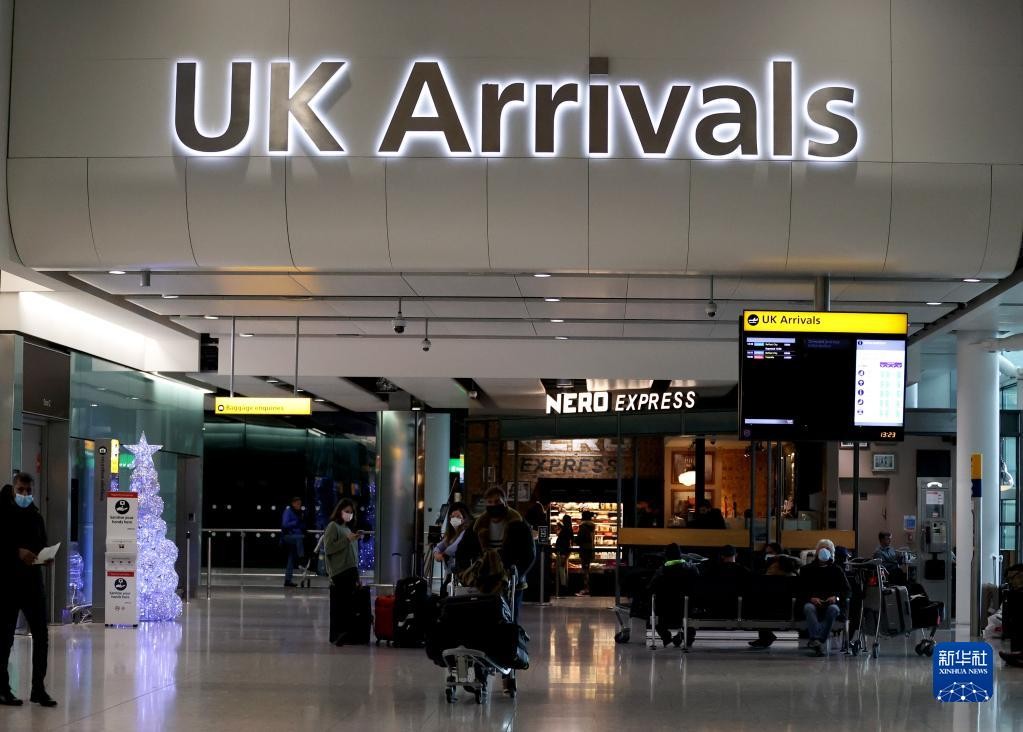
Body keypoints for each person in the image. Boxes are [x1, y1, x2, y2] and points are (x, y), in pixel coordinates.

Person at [0, 474, 57, 707]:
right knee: (4, 638)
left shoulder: (35, 516)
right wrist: (17, 552)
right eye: (21, 490)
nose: (25, 494)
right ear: (14, 489)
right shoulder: (3, 514)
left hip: (33, 584)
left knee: (41, 636)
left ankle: (38, 689)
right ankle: (2, 689)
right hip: (8, 584)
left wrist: (46, 556)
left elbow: (41, 543)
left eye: (28, 491)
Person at [456, 487, 536, 618]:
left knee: (510, 618)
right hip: (484, 580)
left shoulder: (518, 523)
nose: (494, 505)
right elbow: (463, 550)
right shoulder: (477, 525)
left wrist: (517, 573)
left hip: (511, 580)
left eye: (497, 501)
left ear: (505, 501)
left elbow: (529, 553)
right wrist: (464, 572)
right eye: (490, 502)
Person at [323, 499, 363, 646]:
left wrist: (357, 574)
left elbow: (352, 555)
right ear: (340, 511)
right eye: (346, 511)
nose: (349, 514)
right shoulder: (333, 526)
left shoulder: (347, 529)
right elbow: (329, 548)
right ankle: (338, 634)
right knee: (340, 605)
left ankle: (346, 634)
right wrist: (346, 540)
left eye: (351, 512)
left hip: (350, 570)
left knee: (348, 605)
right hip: (340, 572)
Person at [800, 541, 851, 655]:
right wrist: (811, 598)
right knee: (808, 607)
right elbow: (800, 591)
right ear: (817, 552)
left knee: (834, 609)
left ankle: (816, 640)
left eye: (827, 549)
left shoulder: (837, 570)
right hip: (812, 602)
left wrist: (836, 598)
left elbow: (847, 591)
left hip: (832, 603)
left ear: (831, 553)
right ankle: (818, 640)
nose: (824, 550)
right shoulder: (806, 570)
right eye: (822, 548)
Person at [648, 543, 699, 648]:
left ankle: (666, 636)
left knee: (652, 608)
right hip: (687, 610)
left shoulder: (661, 571)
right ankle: (688, 637)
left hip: (664, 611)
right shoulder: (692, 569)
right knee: (689, 614)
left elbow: (650, 588)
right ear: (681, 555)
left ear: (666, 556)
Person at [749, 542, 796, 649]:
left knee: (759, 606)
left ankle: (766, 637)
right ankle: (766, 637)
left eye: (770, 553)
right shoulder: (791, 566)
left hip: (775, 605)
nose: (767, 555)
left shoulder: (775, 566)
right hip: (785, 605)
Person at [434, 502, 472, 591]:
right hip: (449, 572)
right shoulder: (450, 535)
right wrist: (436, 553)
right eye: (452, 517)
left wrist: (442, 554)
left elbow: (454, 547)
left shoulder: (465, 532)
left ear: (464, 519)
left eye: (458, 516)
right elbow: (438, 547)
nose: (455, 519)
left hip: (461, 572)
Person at [281, 496, 306, 587]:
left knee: (291, 559)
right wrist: (296, 522)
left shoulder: (300, 513)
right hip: (287, 536)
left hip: (295, 537)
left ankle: (287, 580)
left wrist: (302, 524)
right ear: (293, 503)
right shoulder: (288, 511)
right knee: (299, 538)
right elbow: (285, 524)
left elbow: (301, 525)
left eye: (300, 504)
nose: (299, 505)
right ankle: (301, 560)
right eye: (298, 504)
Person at [575, 511, 596, 596]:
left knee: (585, 570)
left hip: (584, 549)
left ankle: (586, 588)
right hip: (590, 549)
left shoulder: (583, 526)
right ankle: (588, 588)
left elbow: (581, 538)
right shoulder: (591, 526)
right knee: (587, 569)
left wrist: (575, 540)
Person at [554, 514, 574, 595]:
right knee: (563, 568)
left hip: (562, 551)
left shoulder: (565, 529)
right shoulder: (569, 529)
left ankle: (562, 587)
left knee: (561, 569)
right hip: (566, 551)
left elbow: (562, 539)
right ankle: (564, 586)